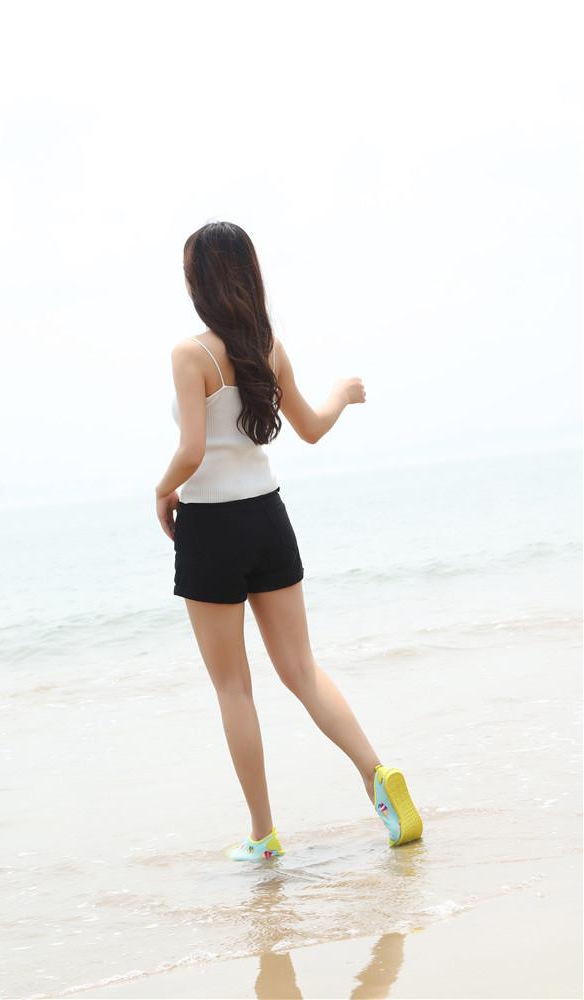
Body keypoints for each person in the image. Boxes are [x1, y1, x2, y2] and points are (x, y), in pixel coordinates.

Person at [155, 221, 423, 861]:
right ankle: (376, 774)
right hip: (268, 519)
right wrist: (341, 395)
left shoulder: (191, 354)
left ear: (200, 281)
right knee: (302, 669)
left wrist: (162, 491)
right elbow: (311, 428)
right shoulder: (269, 349)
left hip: (212, 527)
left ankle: (263, 835)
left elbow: (192, 451)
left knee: (234, 688)